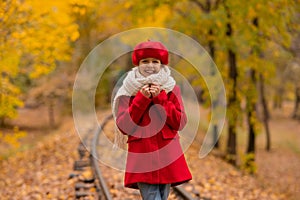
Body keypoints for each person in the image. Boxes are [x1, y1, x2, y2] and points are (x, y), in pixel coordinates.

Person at [112, 40, 192, 200]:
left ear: (161, 64)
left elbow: (180, 122)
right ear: (138, 64)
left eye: (155, 61)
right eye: (145, 61)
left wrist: (160, 98)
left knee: (162, 197)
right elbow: (124, 125)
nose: (150, 65)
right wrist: (142, 98)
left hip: (167, 154)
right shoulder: (127, 90)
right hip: (143, 156)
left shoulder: (171, 88)